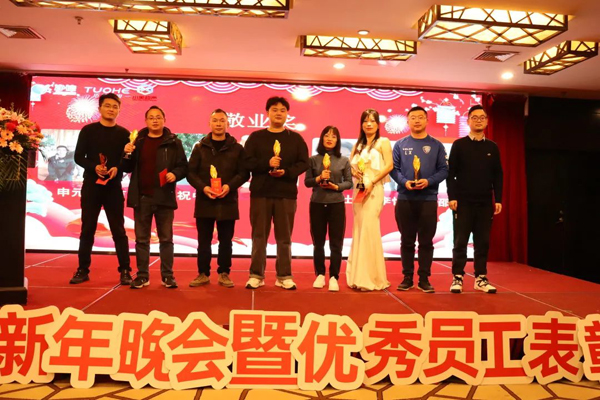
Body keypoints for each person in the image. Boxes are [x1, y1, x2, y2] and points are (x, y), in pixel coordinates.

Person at [244, 96, 309, 290]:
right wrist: (267, 164)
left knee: (284, 238)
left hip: (286, 194)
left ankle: (284, 275)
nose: (278, 113)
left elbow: (303, 163)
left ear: (287, 114)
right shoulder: (256, 137)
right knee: (258, 236)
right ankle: (256, 274)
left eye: (282, 110)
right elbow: (247, 162)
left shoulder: (295, 139)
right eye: (274, 109)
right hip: (261, 193)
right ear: (267, 113)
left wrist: (286, 172)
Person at [122, 106, 188, 289]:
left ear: (164, 120)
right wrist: (127, 153)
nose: (155, 120)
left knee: (166, 239)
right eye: (151, 117)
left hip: (164, 197)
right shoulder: (138, 141)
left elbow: (183, 166)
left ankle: (168, 276)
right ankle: (142, 275)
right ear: (146, 121)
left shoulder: (174, 142)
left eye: (158, 117)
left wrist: (175, 174)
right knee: (141, 240)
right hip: (142, 197)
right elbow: (126, 168)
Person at [70, 93, 131, 285]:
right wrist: (94, 167)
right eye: (107, 106)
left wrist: (118, 168)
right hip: (91, 186)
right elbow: (78, 157)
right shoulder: (88, 131)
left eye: (115, 106)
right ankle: (82, 269)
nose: (111, 109)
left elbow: (128, 163)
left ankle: (125, 270)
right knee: (87, 228)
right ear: (100, 108)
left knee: (118, 230)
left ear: (119, 110)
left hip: (113, 187)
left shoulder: (124, 134)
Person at [187, 109, 249, 288]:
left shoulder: (237, 148)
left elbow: (244, 173)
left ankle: (224, 273)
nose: (219, 124)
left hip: (227, 200)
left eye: (222, 120)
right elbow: (190, 173)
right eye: (215, 120)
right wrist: (204, 187)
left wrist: (229, 186)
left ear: (228, 123)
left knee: (226, 241)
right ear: (210, 123)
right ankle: (203, 273)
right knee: (203, 241)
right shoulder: (200, 147)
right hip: (205, 200)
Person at [391, 106, 448, 293]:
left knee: (426, 242)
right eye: (413, 117)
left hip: (428, 199)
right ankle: (407, 277)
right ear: (408, 121)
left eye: (420, 117)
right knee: (406, 241)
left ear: (426, 121)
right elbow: (394, 169)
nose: (417, 120)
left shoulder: (436, 145)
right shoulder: (400, 145)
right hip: (405, 198)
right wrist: (405, 182)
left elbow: (444, 170)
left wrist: (429, 181)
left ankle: (424, 278)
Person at [447, 104, 503, 294]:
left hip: (485, 202)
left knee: (482, 242)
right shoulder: (459, 145)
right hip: (463, 202)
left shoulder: (492, 147)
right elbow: (451, 174)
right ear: (468, 121)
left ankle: (481, 278)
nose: (478, 121)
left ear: (487, 122)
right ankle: (458, 276)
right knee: (460, 241)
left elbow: (498, 175)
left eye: (482, 118)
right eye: (475, 117)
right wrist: (452, 197)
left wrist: (498, 199)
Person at [346, 109, 393, 291]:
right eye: (365, 121)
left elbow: (389, 165)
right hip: (359, 190)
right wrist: (356, 173)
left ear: (377, 124)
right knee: (359, 229)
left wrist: (372, 181)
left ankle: (370, 277)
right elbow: (350, 165)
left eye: (372, 121)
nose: (368, 124)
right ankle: (357, 276)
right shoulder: (358, 144)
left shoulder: (383, 142)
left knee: (369, 228)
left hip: (374, 189)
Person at [304, 126, 352, 292]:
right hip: (317, 204)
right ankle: (319, 274)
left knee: (336, 243)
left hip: (336, 204)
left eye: (333, 136)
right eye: (327, 135)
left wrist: (336, 187)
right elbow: (307, 182)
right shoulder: (313, 159)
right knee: (318, 243)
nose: (330, 139)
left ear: (337, 140)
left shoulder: (344, 160)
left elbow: (349, 182)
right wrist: (319, 178)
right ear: (322, 138)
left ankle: (334, 276)